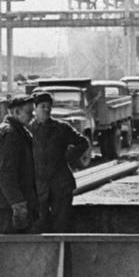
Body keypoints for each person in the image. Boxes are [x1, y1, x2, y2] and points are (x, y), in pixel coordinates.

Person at [29, 91, 91, 233]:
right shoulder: (28, 130)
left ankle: (63, 253)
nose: (46, 109)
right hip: (39, 186)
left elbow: (83, 142)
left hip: (61, 184)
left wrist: (67, 158)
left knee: (62, 224)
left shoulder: (61, 128)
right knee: (40, 223)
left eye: (48, 106)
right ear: (35, 109)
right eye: (42, 106)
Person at [0, 94, 38, 233]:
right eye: (29, 112)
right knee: (7, 248)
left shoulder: (16, 131)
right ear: (16, 112)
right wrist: (18, 204)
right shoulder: (11, 134)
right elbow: (5, 173)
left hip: (6, 203)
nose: (32, 116)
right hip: (6, 206)